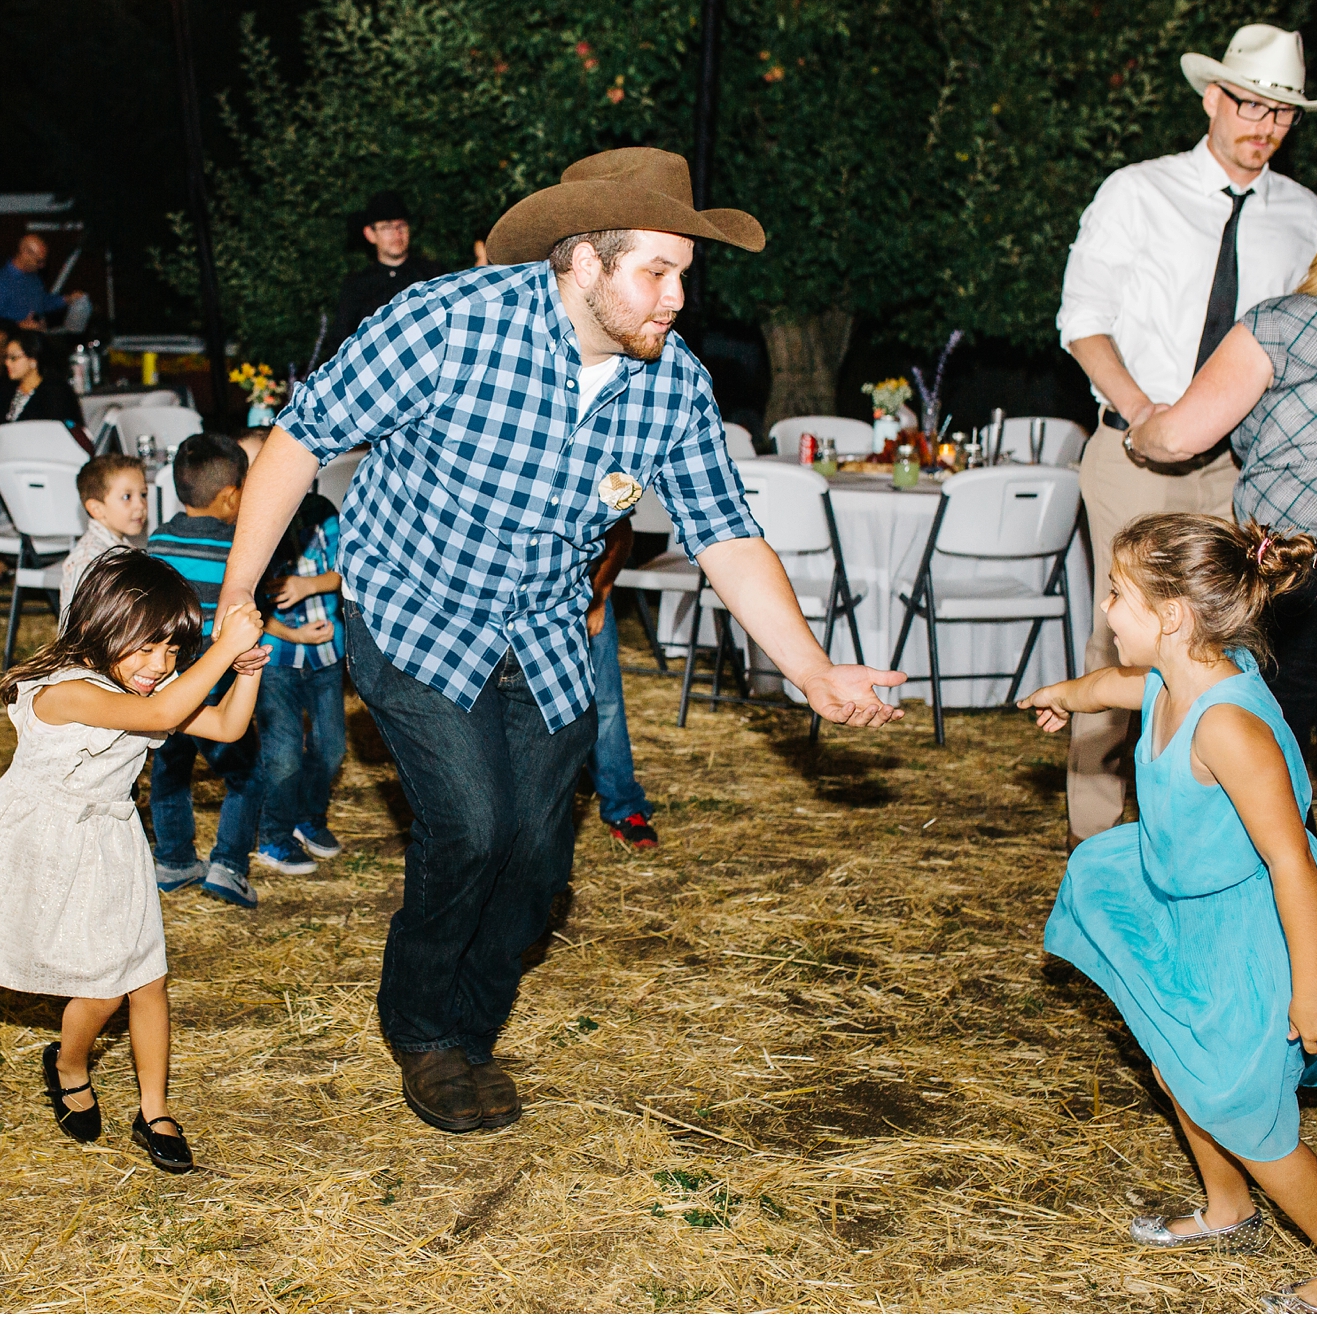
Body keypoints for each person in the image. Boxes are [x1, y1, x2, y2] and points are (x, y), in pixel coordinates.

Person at [214, 146, 905, 1134]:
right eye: (655, 272)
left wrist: (810, 670)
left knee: (538, 866)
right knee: (473, 828)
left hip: (541, 630)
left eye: (682, 276)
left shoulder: (672, 386)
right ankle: (426, 1035)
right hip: (409, 611)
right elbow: (300, 437)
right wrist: (240, 592)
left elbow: (724, 534)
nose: (676, 297)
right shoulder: (444, 325)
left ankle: (472, 1021)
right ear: (583, 262)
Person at [1025, 515, 1317, 1315]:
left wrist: (1311, 989)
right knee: (1176, 1060)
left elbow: (1291, 861)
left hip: (1263, 926)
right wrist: (1062, 694)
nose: (1108, 608)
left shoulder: (1228, 723)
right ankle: (1229, 1209)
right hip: (1191, 899)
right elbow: (1114, 687)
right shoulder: (1172, 677)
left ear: (1172, 615)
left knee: (1242, 1104)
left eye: (1117, 593)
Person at [1124, 169, 1317, 978]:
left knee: (1266, 752)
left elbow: (1183, 432)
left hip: (1301, 581)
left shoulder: (1284, 326)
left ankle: (1259, 937)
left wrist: (1139, 434)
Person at [1056, 22, 1317, 844]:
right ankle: (1098, 839)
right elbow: (1083, 321)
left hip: (1239, 471)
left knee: (1217, 654)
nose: (1265, 127)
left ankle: (1196, 836)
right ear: (1212, 96)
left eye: (1282, 114)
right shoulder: (1135, 191)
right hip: (1132, 458)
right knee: (1129, 641)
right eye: (1250, 104)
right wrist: (1145, 412)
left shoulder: (1303, 211)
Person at [0, 551, 267, 1169]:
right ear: (102, 625)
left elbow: (230, 727)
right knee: (101, 989)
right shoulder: (68, 692)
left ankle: (155, 1109)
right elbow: (161, 714)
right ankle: (69, 1062)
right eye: (146, 649)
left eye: (171, 653)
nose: (159, 667)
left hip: (112, 840)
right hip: (52, 845)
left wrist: (245, 668)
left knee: (147, 977)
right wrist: (220, 648)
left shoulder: (145, 685)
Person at [146, 435, 268, 908]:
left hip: (163, 685)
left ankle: (174, 860)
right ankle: (229, 867)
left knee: (169, 766)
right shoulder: (237, 550)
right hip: (213, 688)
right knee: (246, 772)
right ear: (231, 496)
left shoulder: (157, 540)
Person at [250, 488, 346, 878]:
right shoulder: (253, 519)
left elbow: (347, 569)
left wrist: (308, 585)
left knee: (332, 748)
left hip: (326, 655)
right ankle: (274, 834)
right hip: (276, 658)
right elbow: (246, 602)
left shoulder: (323, 511)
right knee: (284, 751)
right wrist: (294, 635)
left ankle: (308, 817)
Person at [584, 516, 656, 847]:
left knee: (605, 701)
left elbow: (621, 534)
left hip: (584, 588)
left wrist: (599, 593)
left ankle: (623, 806)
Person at [329, 191, 445, 354]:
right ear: (370, 234)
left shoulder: (431, 275)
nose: (397, 233)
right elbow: (341, 343)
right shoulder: (357, 286)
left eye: (401, 225)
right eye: (387, 227)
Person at [59, 451, 152, 624]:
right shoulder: (88, 562)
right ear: (97, 509)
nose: (140, 505)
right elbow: (75, 627)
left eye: (143, 494)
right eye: (127, 497)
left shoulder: (126, 549)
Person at [0, 231, 70, 333]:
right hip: (12, 344)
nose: (42, 266)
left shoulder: (34, 278)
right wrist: (18, 326)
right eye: (38, 261)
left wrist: (67, 299)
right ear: (25, 254)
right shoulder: (0, 282)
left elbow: (41, 302)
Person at [0, 332, 86, 438]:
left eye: (13, 358)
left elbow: (57, 433)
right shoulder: (9, 391)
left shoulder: (55, 392)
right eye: (6, 357)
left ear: (33, 360)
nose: (7, 363)